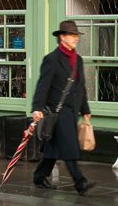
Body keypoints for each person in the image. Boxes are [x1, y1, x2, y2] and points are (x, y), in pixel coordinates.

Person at [31, 20, 95, 196]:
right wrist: (36, 108)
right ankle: (80, 182)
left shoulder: (78, 60)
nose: (76, 39)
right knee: (69, 146)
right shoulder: (51, 60)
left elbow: (80, 87)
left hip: (72, 111)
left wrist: (85, 110)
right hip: (56, 111)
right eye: (72, 35)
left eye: (76, 36)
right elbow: (42, 86)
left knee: (54, 147)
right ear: (62, 37)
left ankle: (39, 175)